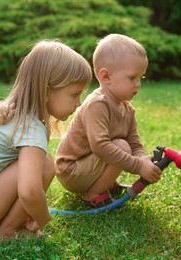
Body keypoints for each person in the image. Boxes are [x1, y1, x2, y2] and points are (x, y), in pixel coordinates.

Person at [0, 39, 92, 240]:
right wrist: (43, 217)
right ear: (45, 92)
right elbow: (29, 191)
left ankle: (9, 225)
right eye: (74, 94)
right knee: (44, 165)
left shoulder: (17, 115)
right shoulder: (30, 126)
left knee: (39, 163)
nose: (79, 103)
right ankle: (8, 231)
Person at [55, 34, 162, 208]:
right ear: (106, 77)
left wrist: (143, 160)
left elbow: (135, 144)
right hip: (71, 171)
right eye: (132, 77)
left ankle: (104, 183)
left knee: (124, 145)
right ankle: (93, 195)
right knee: (120, 146)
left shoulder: (127, 109)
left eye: (140, 78)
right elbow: (100, 146)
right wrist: (138, 166)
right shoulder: (97, 104)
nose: (138, 85)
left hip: (88, 167)